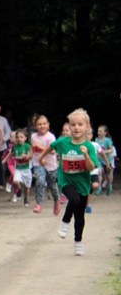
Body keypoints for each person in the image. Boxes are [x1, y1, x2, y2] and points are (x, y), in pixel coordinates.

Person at [39, 108, 97, 256]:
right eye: (73, 124)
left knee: (80, 217)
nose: (76, 127)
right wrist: (41, 158)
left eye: (80, 124)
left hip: (82, 184)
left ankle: (78, 242)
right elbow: (50, 147)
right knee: (74, 199)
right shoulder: (63, 142)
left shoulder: (89, 147)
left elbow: (91, 168)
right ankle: (65, 222)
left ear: (87, 127)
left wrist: (85, 155)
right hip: (66, 180)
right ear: (69, 127)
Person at [29, 114, 59, 214]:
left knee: (52, 185)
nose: (42, 126)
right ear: (35, 126)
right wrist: (29, 155)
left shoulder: (51, 137)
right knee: (40, 181)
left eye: (44, 123)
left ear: (48, 125)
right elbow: (33, 148)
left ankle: (57, 200)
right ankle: (38, 203)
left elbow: (53, 151)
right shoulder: (33, 136)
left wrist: (40, 146)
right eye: (39, 124)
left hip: (50, 164)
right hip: (38, 163)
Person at [9, 129, 33, 206]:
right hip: (18, 168)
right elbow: (12, 154)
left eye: (21, 137)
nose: (19, 139)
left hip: (26, 168)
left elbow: (31, 155)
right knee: (15, 181)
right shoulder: (14, 146)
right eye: (17, 137)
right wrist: (10, 157)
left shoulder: (28, 146)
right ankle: (19, 188)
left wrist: (26, 156)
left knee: (27, 186)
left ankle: (26, 198)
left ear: (25, 138)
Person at [97, 125, 114, 195]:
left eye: (100, 131)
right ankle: (99, 188)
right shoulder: (96, 140)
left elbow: (111, 150)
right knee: (99, 172)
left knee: (108, 174)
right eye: (98, 131)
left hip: (107, 160)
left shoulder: (108, 140)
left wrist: (104, 151)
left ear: (105, 133)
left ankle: (109, 186)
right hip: (99, 160)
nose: (98, 132)